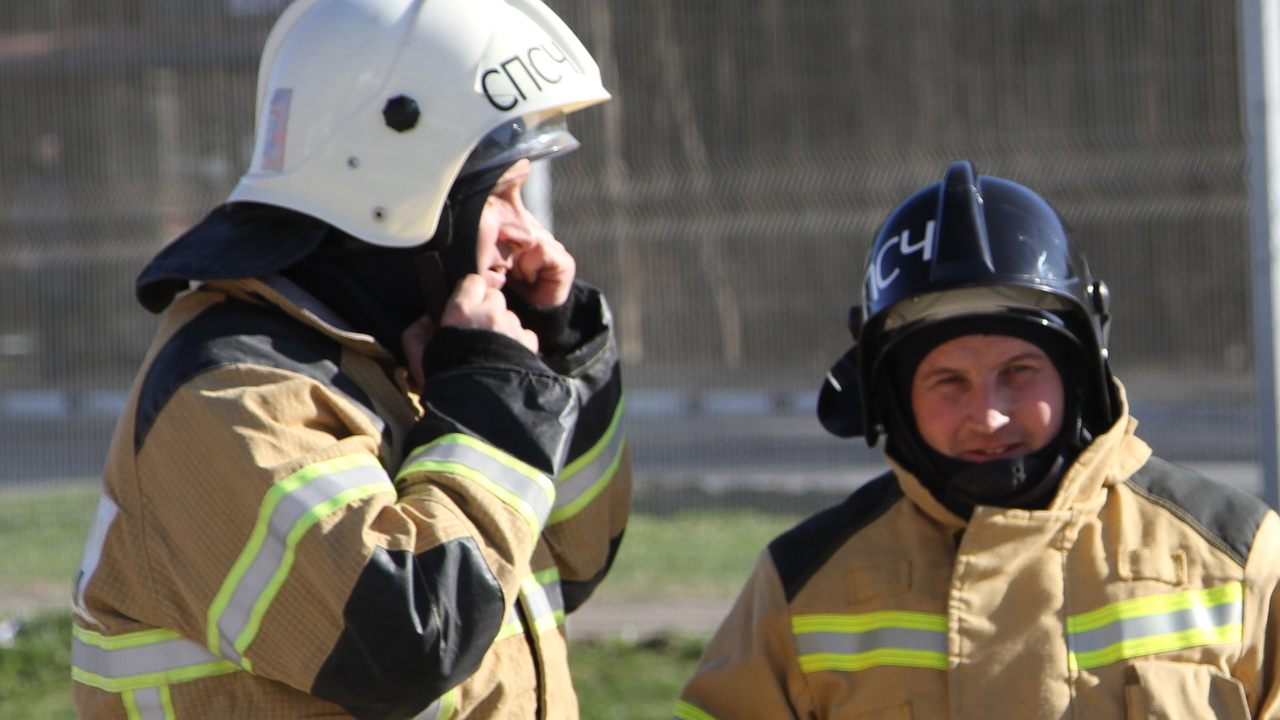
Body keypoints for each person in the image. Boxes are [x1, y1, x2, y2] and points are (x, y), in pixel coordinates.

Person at [69, 0, 631, 718]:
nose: (530, 236)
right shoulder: (237, 394)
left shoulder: (406, 358)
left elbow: (571, 561)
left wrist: (554, 356)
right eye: (506, 196)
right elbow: (408, 641)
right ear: (400, 196)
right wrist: (494, 409)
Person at [675, 161, 1280, 719]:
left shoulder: (1238, 557)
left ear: (1079, 374)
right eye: (947, 381)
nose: (987, 417)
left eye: (1018, 372)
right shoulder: (800, 585)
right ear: (891, 397)